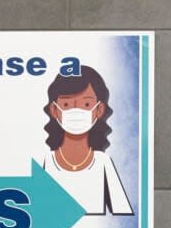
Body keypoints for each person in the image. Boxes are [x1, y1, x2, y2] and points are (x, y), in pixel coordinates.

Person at [42, 66, 132, 215]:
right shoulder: (47, 164)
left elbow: (124, 216)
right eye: (66, 104)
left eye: (86, 104)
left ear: (99, 110)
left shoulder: (103, 163)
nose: (76, 111)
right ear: (54, 110)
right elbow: (40, 214)